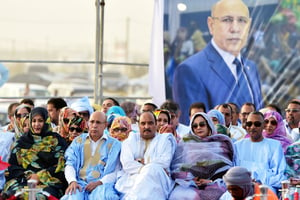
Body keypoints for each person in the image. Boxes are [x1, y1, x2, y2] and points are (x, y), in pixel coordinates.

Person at [172, 0, 263, 125]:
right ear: (211, 25)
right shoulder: (190, 70)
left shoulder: (250, 67)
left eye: (242, 20)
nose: (235, 28)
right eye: (227, 20)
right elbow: (195, 131)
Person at [3, 107, 68, 199]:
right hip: (23, 181)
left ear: (46, 121)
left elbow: (61, 166)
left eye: (40, 121)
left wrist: (40, 176)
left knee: (39, 197)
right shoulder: (21, 142)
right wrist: (29, 175)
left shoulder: (57, 141)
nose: (36, 124)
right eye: (34, 121)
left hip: (48, 182)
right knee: (14, 195)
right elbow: (12, 167)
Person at [169, 112, 234, 200]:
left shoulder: (221, 142)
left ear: (209, 126)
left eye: (202, 124)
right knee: (177, 195)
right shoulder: (185, 143)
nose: (198, 128)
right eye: (195, 126)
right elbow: (178, 167)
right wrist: (191, 179)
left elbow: (227, 168)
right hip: (190, 184)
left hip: (216, 182)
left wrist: (210, 181)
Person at [115, 111, 176, 200]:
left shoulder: (164, 140)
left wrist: (143, 162)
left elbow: (164, 162)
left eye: (150, 123)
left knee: (151, 172)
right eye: (143, 123)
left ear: (156, 124)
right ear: (138, 125)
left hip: (158, 179)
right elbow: (127, 164)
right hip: (131, 179)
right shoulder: (130, 140)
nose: (146, 127)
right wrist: (150, 167)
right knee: (150, 171)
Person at [61, 111, 121, 200]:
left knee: (107, 197)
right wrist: (72, 181)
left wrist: (99, 182)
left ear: (105, 125)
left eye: (98, 122)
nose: (94, 125)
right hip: (79, 184)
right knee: (73, 197)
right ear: (88, 124)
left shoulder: (115, 144)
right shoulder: (78, 141)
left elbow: (116, 171)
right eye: (92, 122)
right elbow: (70, 164)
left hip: (102, 185)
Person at [234, 111, 287, 193]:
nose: (252, 127)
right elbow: (233, 172)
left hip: (266, 186)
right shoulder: (237, 146)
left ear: (263, 126)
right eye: (249, 124)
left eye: (257, 124)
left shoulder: (275, 145)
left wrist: (260, 180)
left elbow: (279, 175)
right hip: (241, 187)